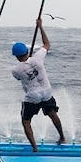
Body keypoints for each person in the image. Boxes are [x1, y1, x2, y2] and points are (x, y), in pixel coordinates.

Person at [11, 18, 66, 151]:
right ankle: (62, 137)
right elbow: (47, 44)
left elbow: (19, 78)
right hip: (46, 92)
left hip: (33, 96)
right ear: (27, 51)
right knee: (53, 114)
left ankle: (35, 148)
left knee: (26, 121)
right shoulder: (38, 57)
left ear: (17, 57)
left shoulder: (16, 70)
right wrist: (40, 27)